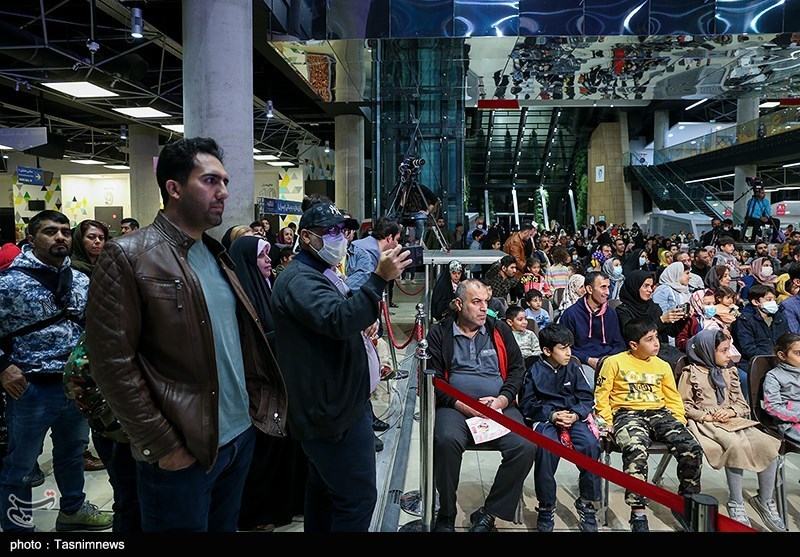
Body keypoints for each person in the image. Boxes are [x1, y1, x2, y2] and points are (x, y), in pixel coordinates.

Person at [86, 137, 288, 532]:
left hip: (237, 437)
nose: (224, 192)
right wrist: (162, 444)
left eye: (225, 182)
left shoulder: (216, 255)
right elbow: (110, 361)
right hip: (184, 449)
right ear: (173, 188)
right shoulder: (129, 254)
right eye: (210, 181)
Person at [272, 201, 410, 532]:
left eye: (343, 230)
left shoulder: (323, 273)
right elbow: (337, 320)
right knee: (357, 498)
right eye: (330, 231)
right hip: (331, 413)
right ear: (306, 237)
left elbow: (340, 312)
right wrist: (378, 279)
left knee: (325, 492)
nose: (340, 238)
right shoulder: (300, 279)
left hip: (338, 402)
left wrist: (362, 321)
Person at [0, 210, 111, 532]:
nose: (60, 237)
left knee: (72, 453)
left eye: (65, 231)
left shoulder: (80, 279)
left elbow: (94, 326)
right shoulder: (9, 282)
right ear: (32, 238)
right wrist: (3, 367)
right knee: (20, 465)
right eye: (50, 231)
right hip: (30, 387)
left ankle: (73, 510)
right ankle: (17, 529)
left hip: (75, 385)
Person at [425, 279, 536, 532]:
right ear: (458, 304)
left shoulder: (499, 330)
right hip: (456, 407)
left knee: (525, 445)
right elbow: (436, 380)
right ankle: (446, 512)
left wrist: (502, 400)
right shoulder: (440, 333)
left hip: (499, 405)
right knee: (445, 440)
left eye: (486, 301)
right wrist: (463, 405)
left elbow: (517, 370)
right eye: (476, 302)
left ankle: (489, 512)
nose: (484, 308)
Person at [227, 235, 307, 532]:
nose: (269, 260)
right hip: (258, 391)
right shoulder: (241, 296)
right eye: (262, 256)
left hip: (279, 384)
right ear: (248, 261)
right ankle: (257, 514)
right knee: (264, 456)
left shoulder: (268, 286)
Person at [594, 317, 703, 533]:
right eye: (650, 339)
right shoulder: (614, 362)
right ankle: (638, 512)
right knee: (636, 449)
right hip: (626, 413)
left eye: (657, 338)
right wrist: (606, 424)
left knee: (691, 447)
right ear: (634, 345)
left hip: (659, 413)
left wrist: (678, 422)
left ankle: (685, 502)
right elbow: (601, 397)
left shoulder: (662, 365)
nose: (656, 343)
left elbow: (672, 397)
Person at [679, 329, 785, 531]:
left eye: (730, 350)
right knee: (735, 445)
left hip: (731, 419)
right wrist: (706, 416)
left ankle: (765, 499)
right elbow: (684, 405)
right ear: (708, 351)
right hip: (706, 422)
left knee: (769, 444)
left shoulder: (730, 372)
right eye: (724, 350)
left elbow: (742, 405)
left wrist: (730, 411)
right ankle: (736, 501)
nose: (729, 355)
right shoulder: (690, 373)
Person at [519, 323, 601, 533]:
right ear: (547, 351)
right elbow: (527, 405)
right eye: (563, 348)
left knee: (591, 445)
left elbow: (586, 397)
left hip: (573, 417)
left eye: (570, 347)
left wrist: (574, 414)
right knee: (546, 448)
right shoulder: (534, 371)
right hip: (546, 418)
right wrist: (552, 415)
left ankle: (586, 502)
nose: (569, 353)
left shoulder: (573, 367)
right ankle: (546, 505)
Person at [68, 219, 111, 472]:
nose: (96, 242)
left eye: (101, 238)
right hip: (75, 346)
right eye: (91, 237)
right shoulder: (73, 271)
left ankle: (83, 448)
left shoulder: (104, 268)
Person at [557, 272, 626, 387]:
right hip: (583, 362)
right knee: (593, 386)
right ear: (589, 289)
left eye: (608, 287)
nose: (607, 292)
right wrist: (588, 360)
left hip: (609, 360)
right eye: (603, 287)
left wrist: (607, 360)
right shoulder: (571, 314)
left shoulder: (611, 313)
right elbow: (564, 348)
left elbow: (619, 344)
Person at [615, 270, 687, 367]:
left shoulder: (654, 307)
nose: (650, 290)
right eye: (646, 286)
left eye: (651, 286)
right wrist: (661, 320)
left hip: (660, 350)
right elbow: (633, 333)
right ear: (635, 287)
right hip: (639, 354)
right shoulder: (623, 310)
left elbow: (671, 332)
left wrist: (682, 318)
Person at [731, 284, 789, 403]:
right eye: (768, 300)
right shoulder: (745, 320)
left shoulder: (780, 317)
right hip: (753, 362)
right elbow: (748, 348)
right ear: (755, 302)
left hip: (780, 360)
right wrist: (771, 358)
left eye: (773, 299)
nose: (773, 302)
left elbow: (787, 340)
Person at [763, 333, 800, 444]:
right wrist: (797, 416)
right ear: (782, 356)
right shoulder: (774, 376)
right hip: (790, 423)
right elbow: (772, 407)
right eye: (798, 353)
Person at [505, 305, 542, 369]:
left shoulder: (530, 334)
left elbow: (538, 350)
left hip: (531, 362)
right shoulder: (507, 335)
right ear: (510, 322)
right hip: (516, 363)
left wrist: (531, 358)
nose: (525, 322)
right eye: (520, 319)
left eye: (525, 319)